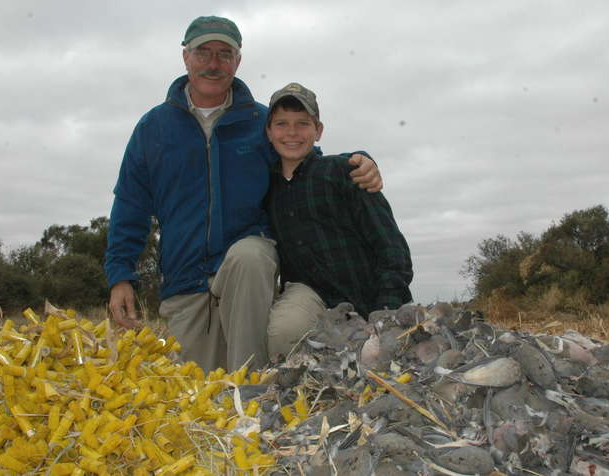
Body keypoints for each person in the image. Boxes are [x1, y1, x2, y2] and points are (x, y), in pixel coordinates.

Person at [104, 16, 382, 372]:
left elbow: (307, 164)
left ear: (238, 61)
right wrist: (120, 276)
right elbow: (130, 206)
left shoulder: (260, 123)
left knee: (251, 256)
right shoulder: (152, 128)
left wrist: (358, 163)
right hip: (183, 279)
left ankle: (253, 391)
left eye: (225, 54)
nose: (213, 63)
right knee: (193, 389)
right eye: (203, 52)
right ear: (185, 56)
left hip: (247, 274)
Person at [264, 83, 413, 362]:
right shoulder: (264, 187)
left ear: (318, 130)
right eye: (282, 124)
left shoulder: (345, 172)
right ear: (269, 132)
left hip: (371, 294)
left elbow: (391, 248)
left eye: (302, 123)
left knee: (389, 363)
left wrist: (386, 309)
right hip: (312, 296)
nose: (292, 132)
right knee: (282, 334)